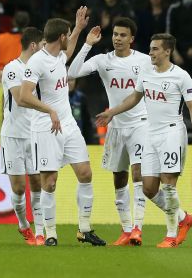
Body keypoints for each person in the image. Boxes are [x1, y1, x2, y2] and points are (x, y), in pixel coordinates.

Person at [96, 33, 192, 248]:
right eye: (150, 48)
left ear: (167, 51)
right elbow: (133, 98)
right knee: (148, 188)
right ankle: (184, 218)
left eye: (155, 49)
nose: (151, 53)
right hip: (150, 133)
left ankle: (171, 235)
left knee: (168, 185)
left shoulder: (181, 76)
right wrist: (112, 112)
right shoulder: (146, 72)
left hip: (172, 133)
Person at [18, 9, 106, 247]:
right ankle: (50, 233)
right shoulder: (37, 62)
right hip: (45, 126)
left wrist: (78, 28)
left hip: (67, 123)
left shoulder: (58, 56)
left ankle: (85, 229)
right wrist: (50, 110)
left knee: (86, 173)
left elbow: (69, 51)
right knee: (50, 182)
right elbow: (23, 97)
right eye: (68, 34)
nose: (70, 38)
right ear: (61, 37)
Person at [68, 17, 152, 246]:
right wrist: (87, 44)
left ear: (132, 39)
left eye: (123, 35)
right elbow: (72, 73)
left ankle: (137, 229)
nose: (118, 38)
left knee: (138, 173)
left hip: (140, 124)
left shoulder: (145, 61)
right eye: (115, 34)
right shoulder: (103, 60)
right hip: (116, 126)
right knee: (119, 177)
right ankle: (126, 230)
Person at [0, 27, 45, 246]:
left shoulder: (41, 69)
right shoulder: (12, 68)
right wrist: (50, 109)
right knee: (19, 188)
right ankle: (22, 224)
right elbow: (19, 99)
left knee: (37, 182)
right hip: (14, 135)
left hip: (35, 135)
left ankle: (39, 232)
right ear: (34, 45)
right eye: (43, 45)